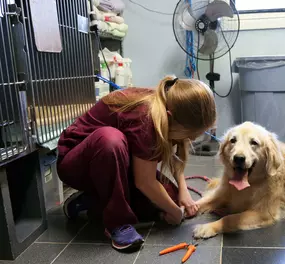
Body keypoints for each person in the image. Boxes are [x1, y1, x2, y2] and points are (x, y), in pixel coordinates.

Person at [57, 76, 217, 251]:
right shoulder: (147, 116)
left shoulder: (172, 103)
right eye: (191, 134)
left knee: (169, 201)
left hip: (116, 165)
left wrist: (183, 193)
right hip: (76, 164)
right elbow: (144, 181)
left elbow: (177, 150)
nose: (192, 139)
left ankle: (90, 201)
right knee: (110, 140)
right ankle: (117, 223)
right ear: (171, 117)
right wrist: (175, 213)